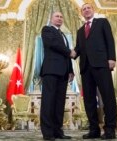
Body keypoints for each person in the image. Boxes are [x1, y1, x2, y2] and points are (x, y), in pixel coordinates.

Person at [73, 3, 117, 140]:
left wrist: (111, 58)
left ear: (93, 10)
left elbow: (110, 40)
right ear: (81, 13)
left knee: (107, 97)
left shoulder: (102, 22)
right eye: (83, 9)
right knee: (89, 100)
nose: (86, 10)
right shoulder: (80, 30)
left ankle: (110, 130)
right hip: (86, 68)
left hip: (101, 65)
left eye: (88, 8)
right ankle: (94, 130)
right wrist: (65, 51)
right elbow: (78, 49)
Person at [40, 11, 75, 141]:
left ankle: (57, 131)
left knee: (59, 103)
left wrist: (71, 70)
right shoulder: (47, 30)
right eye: (57, 16)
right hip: (51, 71)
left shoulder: (64, 35)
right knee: (48, 103)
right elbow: (52, 45)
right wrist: (70, 52)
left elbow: (67, 56)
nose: (60, 18)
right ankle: (48, 133)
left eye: (61, 17)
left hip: (63, 72)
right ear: (51, 18)